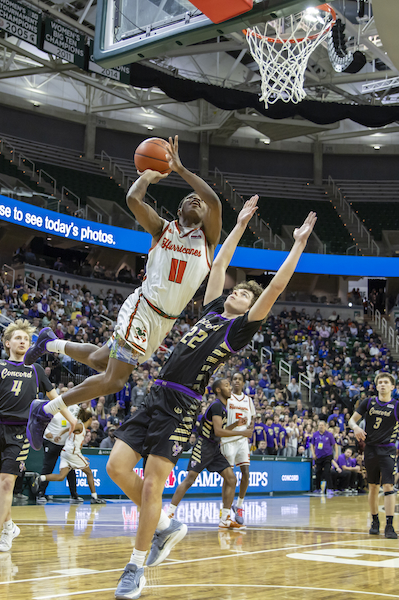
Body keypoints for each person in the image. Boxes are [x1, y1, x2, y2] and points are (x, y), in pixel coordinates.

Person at [104, 200, 316, 599]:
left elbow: (275, 287)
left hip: (183, 405)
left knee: (152, 486)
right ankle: (166, 527)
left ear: (248, 308)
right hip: (158, 392)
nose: (235, 292)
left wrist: (299, 245)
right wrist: (238, 225)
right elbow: (218, 266)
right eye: (235, 290)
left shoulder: (239, 330)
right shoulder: (213, 311)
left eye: (242, 294)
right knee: (116, 468)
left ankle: (134, 567)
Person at [25, 135, 222, 451]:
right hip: (143, 309)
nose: (196, 200)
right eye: (189, 198)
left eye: (197, 198)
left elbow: (213, 201)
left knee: (100, 361)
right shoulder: (162, 228)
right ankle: (44, 410)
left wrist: (182, 170)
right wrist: (148, 173)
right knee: (116, 381)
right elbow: (133, 199)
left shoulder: (208, 240)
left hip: (164, 323)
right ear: (178, 209)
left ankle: (50, 341)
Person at [0, 320, 57, 560]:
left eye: (26, 339)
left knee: (7, 484)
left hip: (20, 432)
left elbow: (54, 398)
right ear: (7, 343)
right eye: (18, 338)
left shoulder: (36, 370)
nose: (23, 341)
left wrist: (71, 420)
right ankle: (9, 527)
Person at [167, 378, 252, 527]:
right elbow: (219, 431)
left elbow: (218, 432)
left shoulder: (223, 407)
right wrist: (243, 432)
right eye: (226, 385)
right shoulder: (217, 406)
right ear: (218, 390)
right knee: (190, 480)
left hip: (214, 448)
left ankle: (225, 519)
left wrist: (235, 425)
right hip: (203, 446)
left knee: (231, 479)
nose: (230, 387)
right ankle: (169, 514)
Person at [348, 372, 398, 538]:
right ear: (376, 386)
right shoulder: (368, 402)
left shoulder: (396, 406)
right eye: (380, 382)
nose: (382, 385)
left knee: (389, 486)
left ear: (392, 387)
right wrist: (355, 428)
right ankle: (375, 521)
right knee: (373, 486)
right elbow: (351, 420)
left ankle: (389, 525)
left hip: (388, 449)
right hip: (370, 449)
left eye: (386, 382)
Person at [31, 406, 106, 504]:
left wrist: (81, 456)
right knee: (89, 473)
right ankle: (95, 497)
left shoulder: (81, 427)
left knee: (61, 476)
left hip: (66, 452)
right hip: (71, 453)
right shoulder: (80, 425)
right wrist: (60, 434)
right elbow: (69, 427)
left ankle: (40, 478)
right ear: (90, 419)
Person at [218, 371, 255, 524]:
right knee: (229, 477)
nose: (237, 381)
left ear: (244, 383)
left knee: (246, 473)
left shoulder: (248, 400)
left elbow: (252, 419)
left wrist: (250, 430)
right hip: (228, 440)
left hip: (242, 441)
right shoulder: (227, 398)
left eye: (240, 379)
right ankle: (225, 509)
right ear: (231, 382)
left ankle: (238, 506)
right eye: (234, 379)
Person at [36, 404, 82, 504]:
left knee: (70, 468)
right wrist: (46, 432)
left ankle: (74, 495)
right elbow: (40, 422)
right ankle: (40, 493)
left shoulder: (75, 408)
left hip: (66, 444)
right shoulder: (52, 406)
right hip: (51, 441)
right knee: (48, 467)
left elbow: (78, 423)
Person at [311, 421, 336, 496]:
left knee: (327, 471)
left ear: (325, 426)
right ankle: (318, 488)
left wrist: (336, 454)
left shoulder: (329, 435)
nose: (320, 426)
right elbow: (312, 445)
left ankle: (329, 488)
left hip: (327, 455)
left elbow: (334, 445)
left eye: (322, 425)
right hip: (319, 456)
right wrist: (313, 454)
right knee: (318, 472)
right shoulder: (315, 434)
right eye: (319, 425)